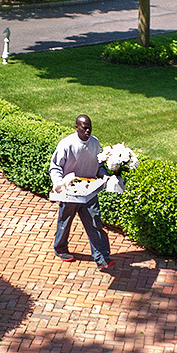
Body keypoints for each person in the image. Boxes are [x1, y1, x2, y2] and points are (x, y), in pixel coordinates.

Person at [49, 115, 115, 270]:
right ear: (76, 127)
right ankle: (60, 249)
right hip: (70, 192)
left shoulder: (95, 142)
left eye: (89, 126)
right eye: (84, 127)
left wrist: (105, 175)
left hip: (89, 192)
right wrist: (59, 184)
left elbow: (99, 165)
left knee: (95, 223)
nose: (88, 130)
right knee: (65, 222)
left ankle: (102, 258)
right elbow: (55, 167)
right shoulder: (66, 144)